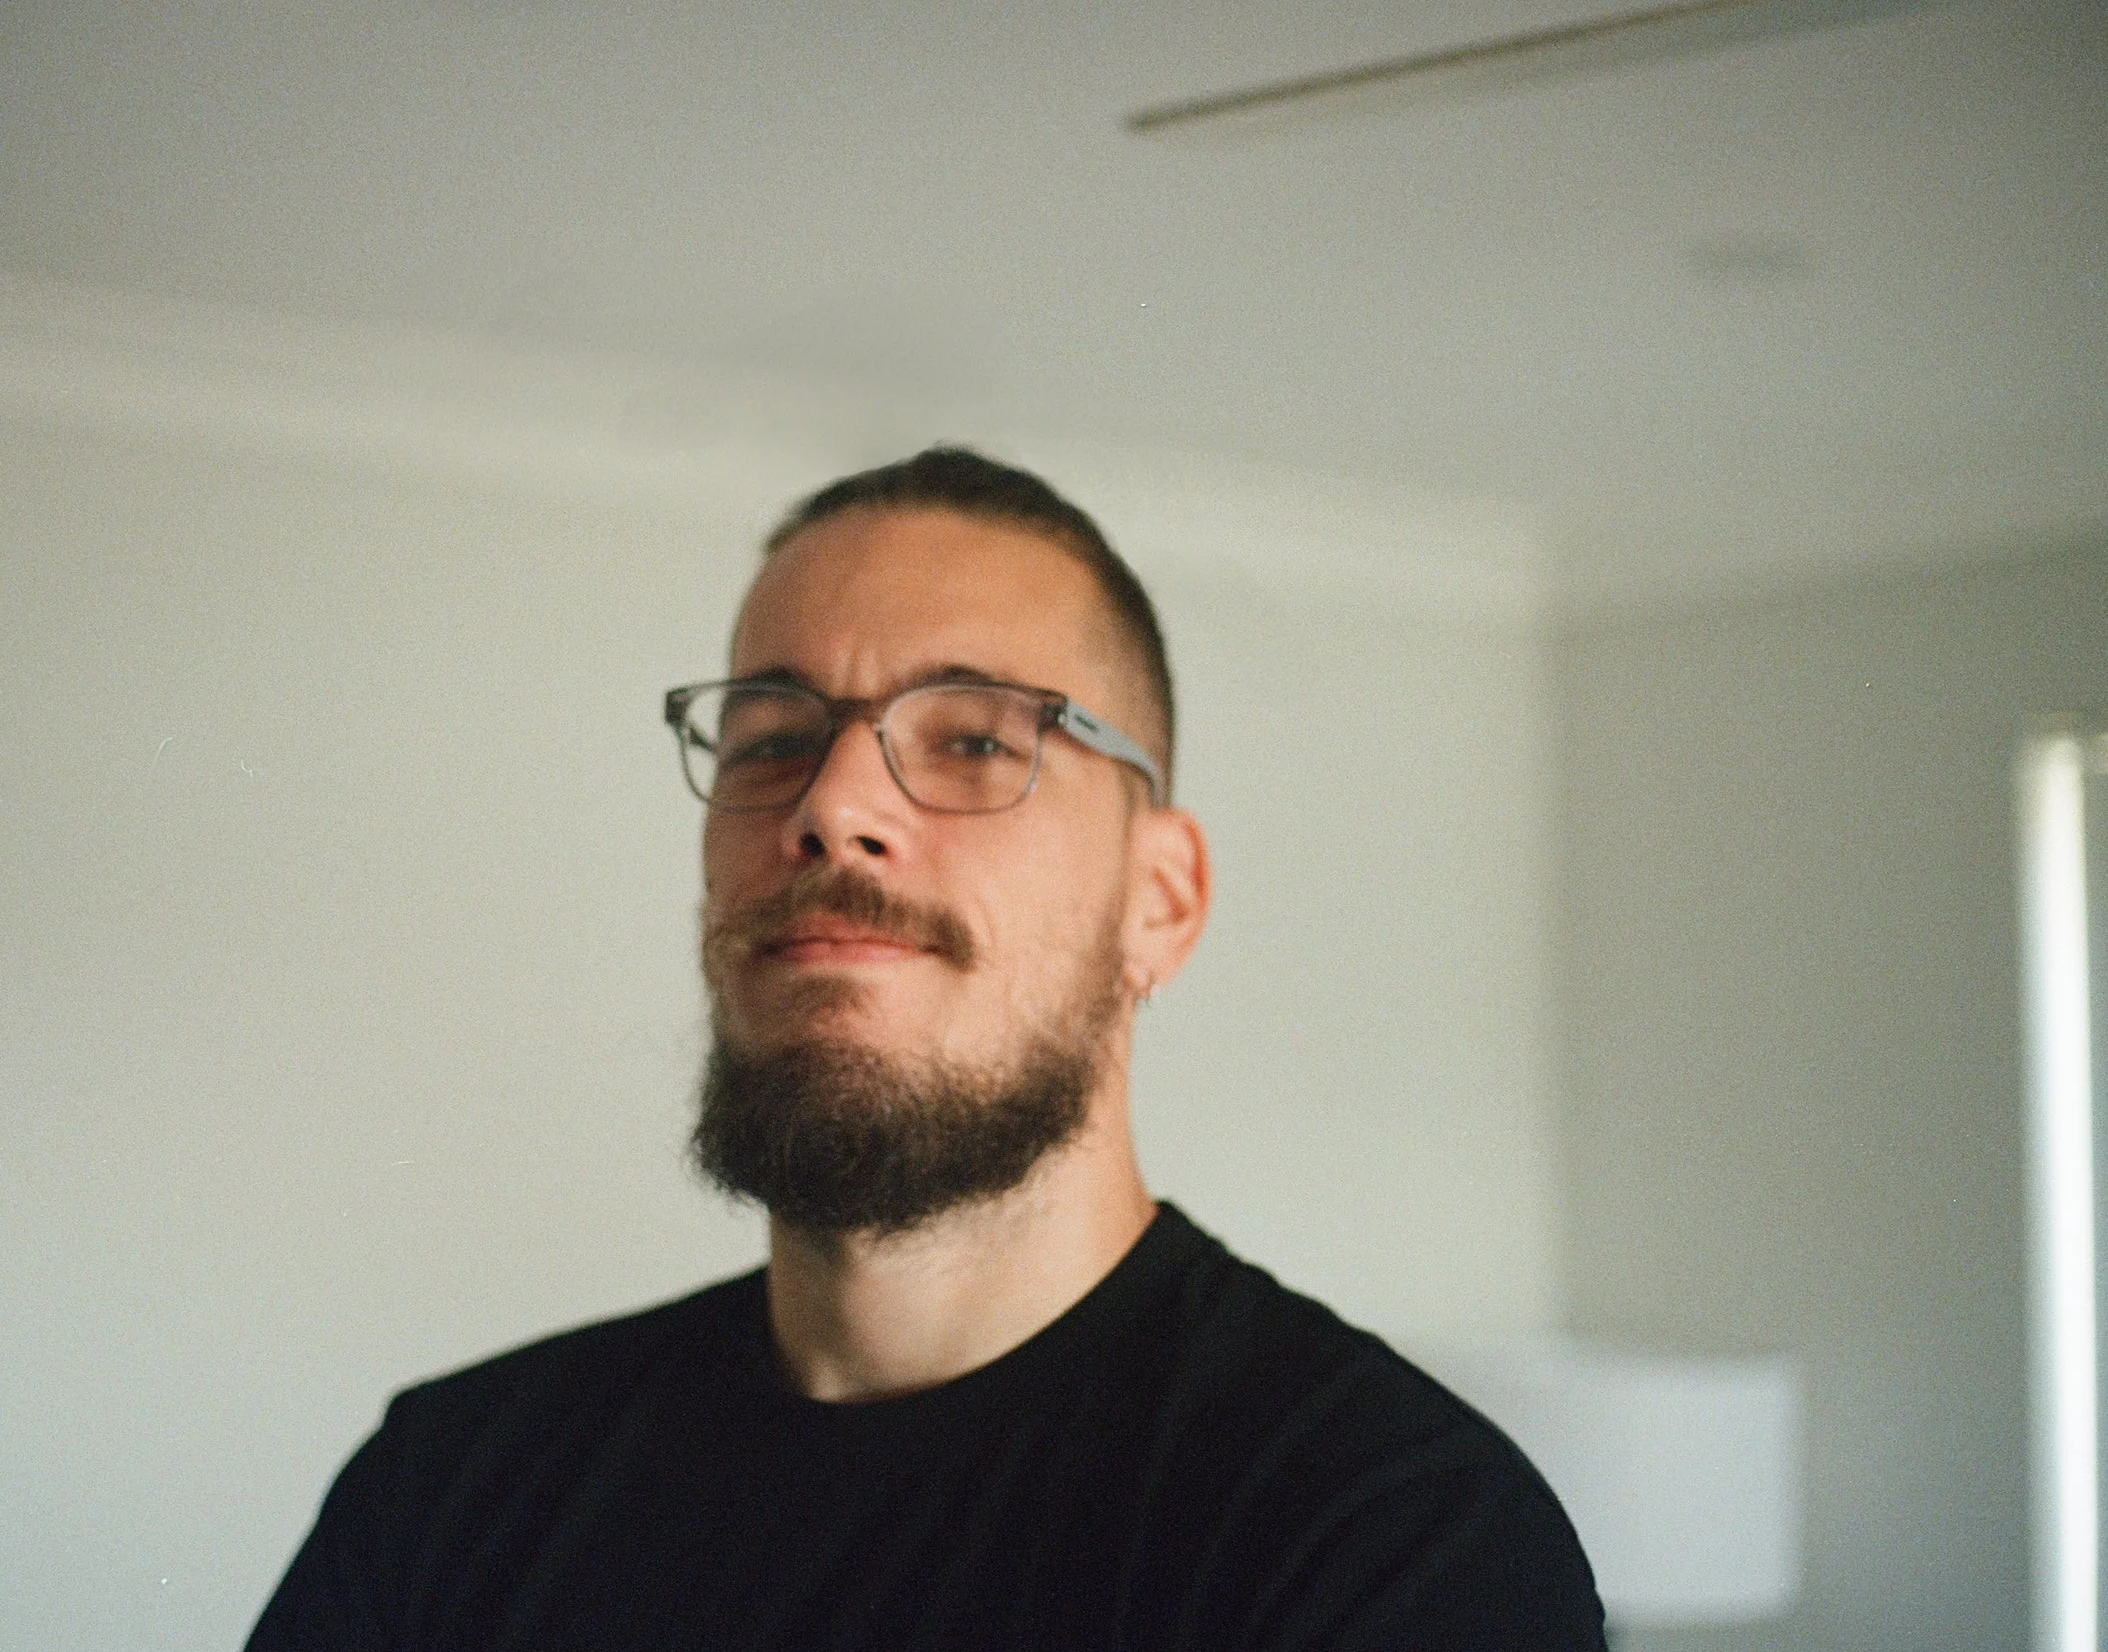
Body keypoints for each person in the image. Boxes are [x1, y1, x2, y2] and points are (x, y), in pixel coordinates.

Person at [248, 447, 1605, 1650]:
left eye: (969, 739)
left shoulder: (1388, 1540)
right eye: (772, 738)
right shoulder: (456, 1486)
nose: (835, 806)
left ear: (1161, 900)